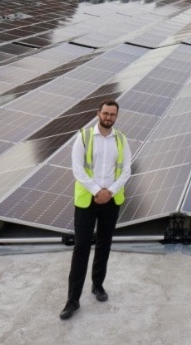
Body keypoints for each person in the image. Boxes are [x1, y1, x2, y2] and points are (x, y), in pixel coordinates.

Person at [60, 100, 132, 320]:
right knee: (81, 247)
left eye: (112, 114)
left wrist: (109, 191)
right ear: (98, 113)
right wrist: (95, 191)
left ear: (116, 117)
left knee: (104, 243)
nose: (108, 117)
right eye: (105, 113)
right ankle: (72, 300)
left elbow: (126, 170)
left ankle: (97, 285)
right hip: (87, 201)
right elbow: (78, 169)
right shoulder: (83, 137)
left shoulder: (121, 140)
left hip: (111, 199)